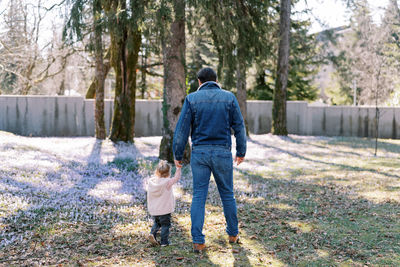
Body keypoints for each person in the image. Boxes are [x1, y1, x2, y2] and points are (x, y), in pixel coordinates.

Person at [172, 67, 246, 253]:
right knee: (227, 194)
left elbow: (181, 130)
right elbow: (239, 126)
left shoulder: (191, 99)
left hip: (200, 154)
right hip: (222, 153)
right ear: (216, 80)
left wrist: (177, 154)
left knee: (199, 196)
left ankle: (198, 241)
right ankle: (233, 234)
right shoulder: (229, 97)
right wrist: (241, 151)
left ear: (199, 82)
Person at [147, 160, 181, 247]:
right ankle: (164, 242)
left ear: (157, 172)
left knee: (157, 223)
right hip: (165, 210)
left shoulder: (152, 182)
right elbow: (176, 178)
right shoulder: (167, 182)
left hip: (155, 209)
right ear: (168, 173)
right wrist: (178, 168)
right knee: (165, 225)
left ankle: (152, 234)